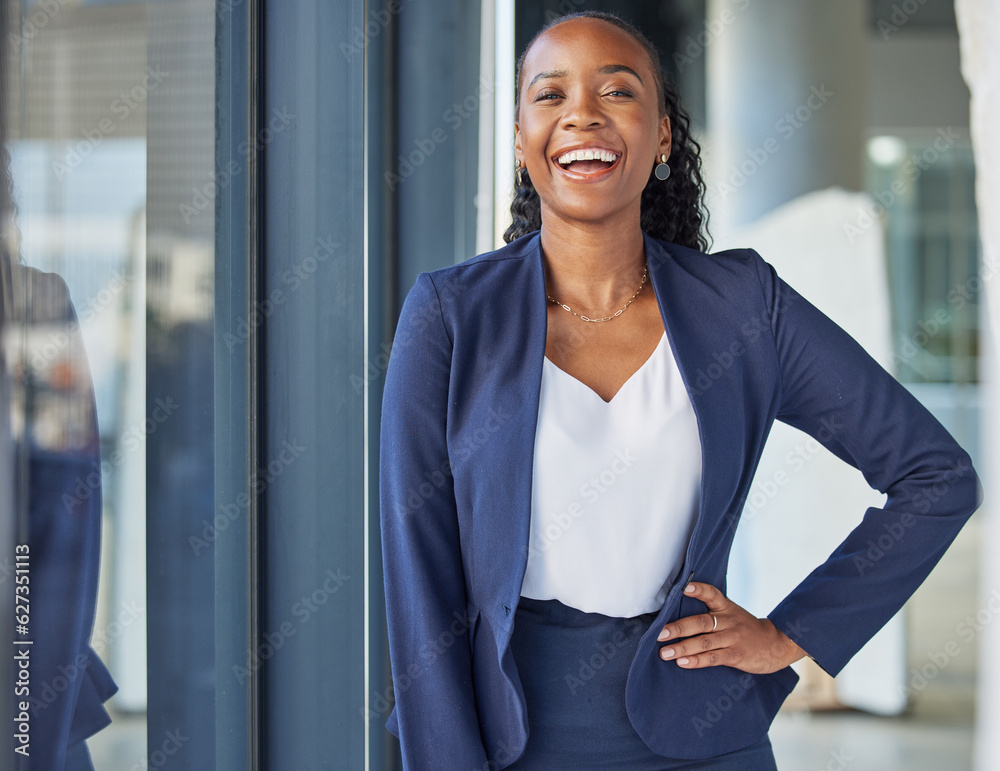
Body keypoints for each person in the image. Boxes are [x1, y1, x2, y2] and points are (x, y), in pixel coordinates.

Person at [379, 11, 981, 770]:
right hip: (513, 737)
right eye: (550, 94)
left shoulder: (743, 306)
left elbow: (937, 476)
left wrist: (790, 632)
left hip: (706, 736)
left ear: (662, 135)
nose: (583, 115)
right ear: (520, 137)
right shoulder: (449, 317)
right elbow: (419, 578)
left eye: (618, 91)